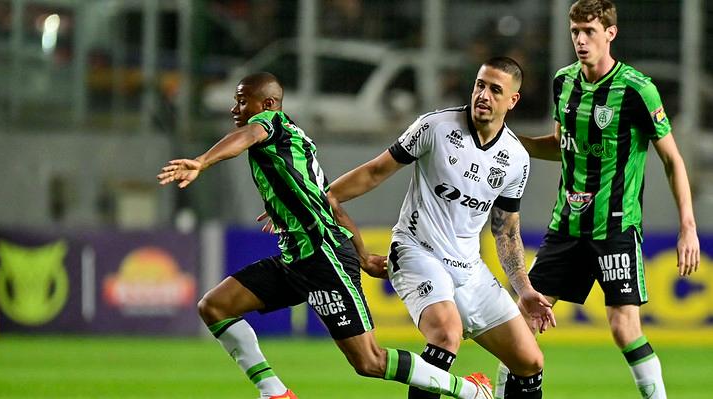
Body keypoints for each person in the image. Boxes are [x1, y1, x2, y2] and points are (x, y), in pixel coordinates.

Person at [157, 72, 495, 399]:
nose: (235, 110)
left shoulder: (270, 124)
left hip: (323, 256)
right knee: (215, 306)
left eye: (243, 102)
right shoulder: (291, 144)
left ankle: (469, 390)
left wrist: (201, 161)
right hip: (297, 259)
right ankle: (274, 392)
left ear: (268, 104)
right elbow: (330, 202)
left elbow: (246, 136)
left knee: (370, 361)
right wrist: (361, 254)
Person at [494, 1, 701, 398]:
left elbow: (672, 160)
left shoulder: (638, 89)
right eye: (575, 31)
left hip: (616, 226)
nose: (580, 40)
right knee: (522, 320)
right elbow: (561, 145)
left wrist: (687, 227)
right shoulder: (564, 82)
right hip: (565, 227)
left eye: (589, 31)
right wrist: (511, 142)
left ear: (610, 33)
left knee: (624, 328)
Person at [325, 57, 556, 399]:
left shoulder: (516, 158)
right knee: (447, 334)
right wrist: (325, 196)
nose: (484, 95)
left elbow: (506, 231)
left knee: (530, 361)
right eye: (480, 85)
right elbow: (375, 171)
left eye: (495, 90)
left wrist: (523, 289)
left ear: (512, 100)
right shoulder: (436, 127)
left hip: (469, 268)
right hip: (416, 251)